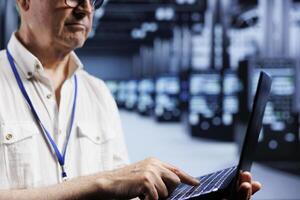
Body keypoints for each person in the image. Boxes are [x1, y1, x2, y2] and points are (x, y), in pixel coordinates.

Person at [0, 0, 262, 199]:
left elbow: (121, 192)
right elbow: (111, 182)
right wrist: (103, 182)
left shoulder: (98, 93)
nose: (86, 9)